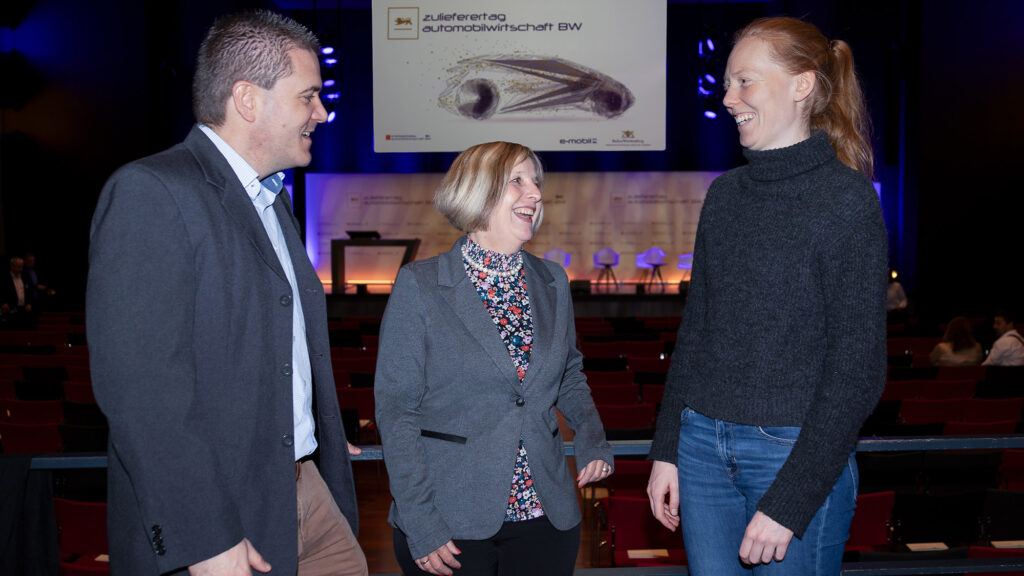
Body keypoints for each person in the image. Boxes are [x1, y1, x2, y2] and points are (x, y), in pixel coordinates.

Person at [87, 10, 367, 576]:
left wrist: (316, 437)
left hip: (306, 488)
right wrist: (203, 539)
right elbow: (143, 392)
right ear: (248, 99)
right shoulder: (152, 192)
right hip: (225, 512)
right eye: (308, 96)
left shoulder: (273, 202)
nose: (322, 112)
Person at [646, 17, 887, 574]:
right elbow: (695, 332)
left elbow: (858, 370)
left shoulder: (847, 201)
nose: (728, 98)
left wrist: (789, 501)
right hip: (701, 449)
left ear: (802, 85)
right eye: (727, 84)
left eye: (744, 82)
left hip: (793, 457)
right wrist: (667, 450)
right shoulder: (724, 195)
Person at [374, 141, 613, 576]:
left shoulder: (552, 280)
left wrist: (593, 437)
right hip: (450, 521)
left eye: (536, 182)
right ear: (477, 191)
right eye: (517, 181)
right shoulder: (420, 285)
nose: (536, 193)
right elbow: (397, 413)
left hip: (547, 518)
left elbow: (570, 375)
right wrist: (421, 524)